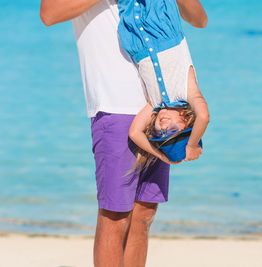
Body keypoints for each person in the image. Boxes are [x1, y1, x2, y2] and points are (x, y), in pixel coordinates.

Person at [39, 0, 207, 266]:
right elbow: (48, 13)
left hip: (160, 105)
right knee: (115, 216)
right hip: (114, 103)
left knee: (144, 214)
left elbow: (199, 20)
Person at [116, 0, 210, 169]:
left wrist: (161, 156)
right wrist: (192, 145)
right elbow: (203, 116)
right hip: (162, 24)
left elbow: (135, 133)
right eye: (172, 130)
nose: (163, 126)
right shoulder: (188, 91)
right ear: (187, 120)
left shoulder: (155, 102)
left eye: (160, 132)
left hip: (134, 34)